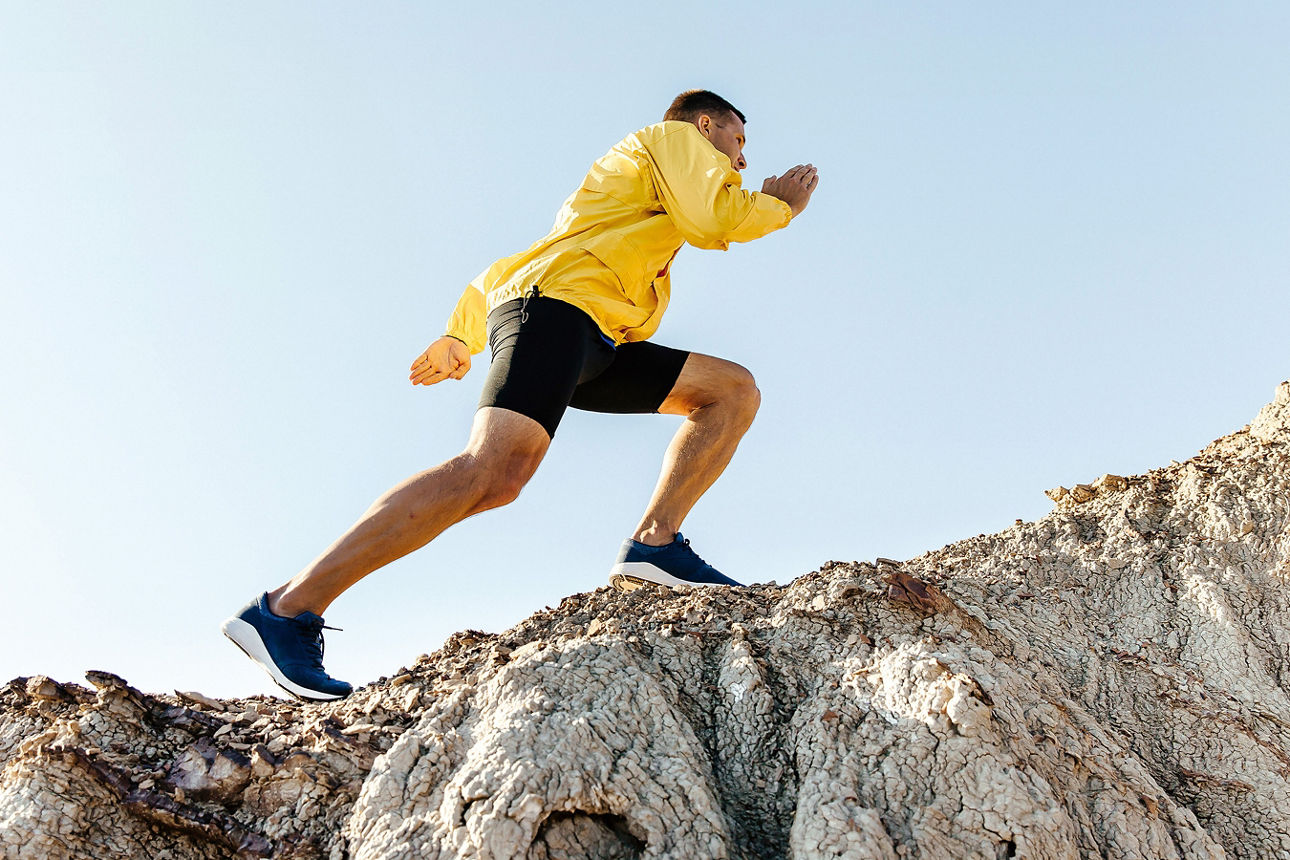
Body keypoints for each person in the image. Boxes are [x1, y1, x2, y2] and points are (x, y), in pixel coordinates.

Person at [221, 90, 820, 701]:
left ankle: (656, 546)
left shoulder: (625, 199)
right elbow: (712, 219)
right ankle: (285, 609)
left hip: (594, 333)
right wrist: (780, 205)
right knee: (489, 473)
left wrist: (461, 333)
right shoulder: (674, 142)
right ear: (705, 125)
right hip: (559, 314)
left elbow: (512, 267)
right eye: (738, 141)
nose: (742, 160)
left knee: (730, 391)